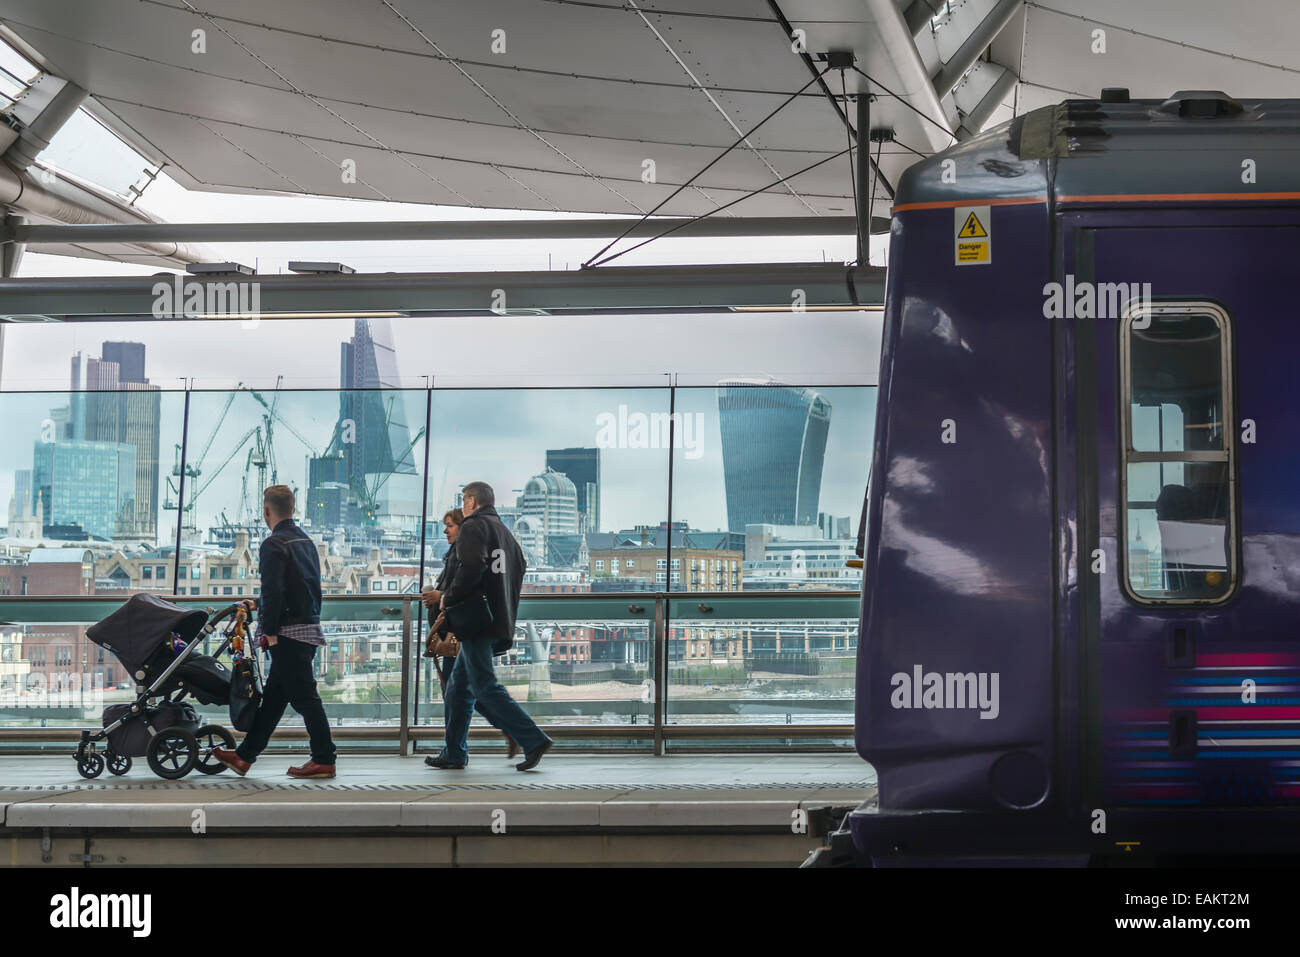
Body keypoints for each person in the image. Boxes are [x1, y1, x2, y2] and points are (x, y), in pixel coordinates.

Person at [426, 481, 553, 772]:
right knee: (458, 688)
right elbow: (519, 567)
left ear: (472, 501)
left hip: (475, 621)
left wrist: (447, 597)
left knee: (484, 685)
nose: (461, 506)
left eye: (463, 500)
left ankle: (532, 738)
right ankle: (454, 752)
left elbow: (471, 567)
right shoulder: (505, 532)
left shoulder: (473, 526)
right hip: (498, 618)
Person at [212, 485, 337, 779]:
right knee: (274, 700)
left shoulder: (273, 543)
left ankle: (324, 758)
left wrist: (269, 631)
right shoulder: (306, 541)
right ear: (293, 509)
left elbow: (274, 588)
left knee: (306, 698)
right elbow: (301, 588)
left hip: (286, 633)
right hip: (307, 627)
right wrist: (259, 604)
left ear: (267, 511)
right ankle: (244, 757)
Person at [421, 507, 518, 758]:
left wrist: (439, 596)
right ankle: (461, 748)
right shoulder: (457, 552)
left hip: (460, 632)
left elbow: (466, 588)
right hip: (458, 632)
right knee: (464, 692)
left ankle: (457, 750)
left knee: (459, 694)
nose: (445, 530)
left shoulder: (463, 553)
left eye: (450, 525)